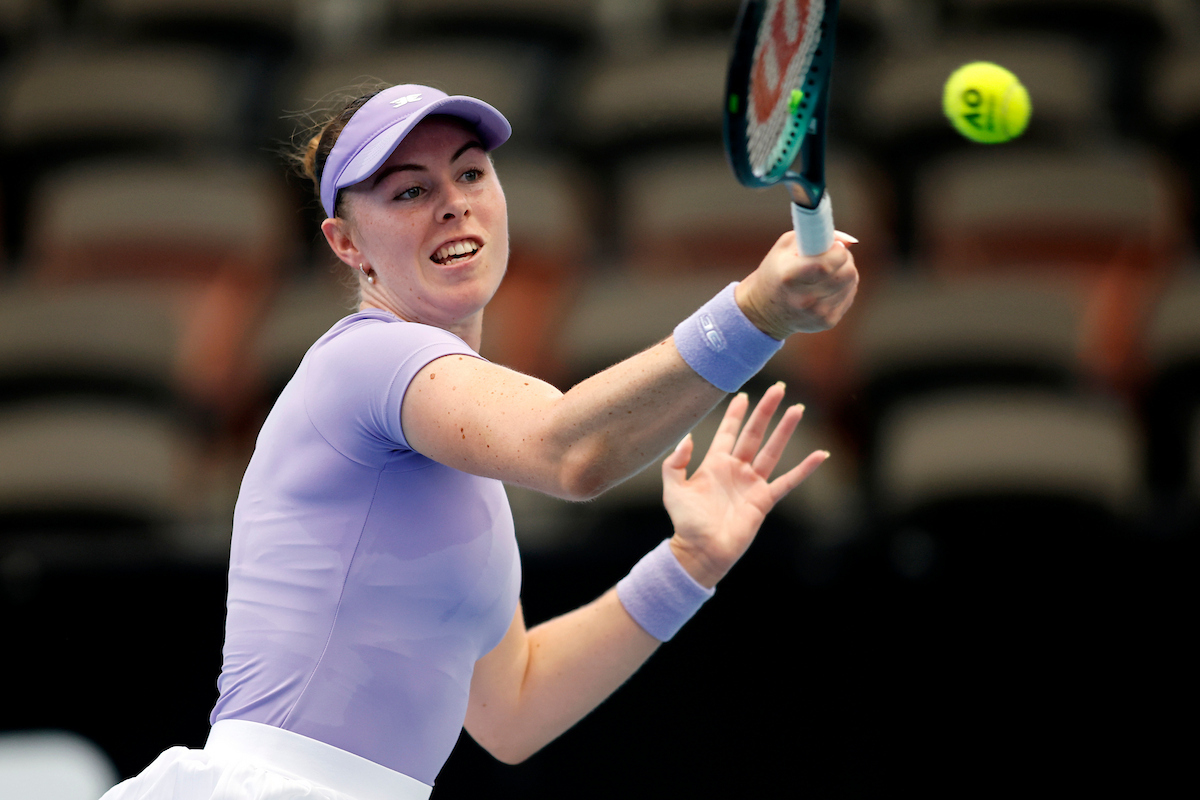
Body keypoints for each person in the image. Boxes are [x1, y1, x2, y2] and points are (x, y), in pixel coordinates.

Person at [101, 83, 858, 800]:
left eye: (470, 174)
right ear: (346, 243)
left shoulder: (467, 473)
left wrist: (690, 565)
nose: (453, 205)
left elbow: (514, 711)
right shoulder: (366, 359)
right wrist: (756, 312)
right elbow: (573, 450)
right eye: (409, 191)